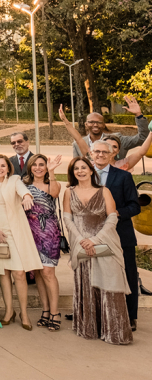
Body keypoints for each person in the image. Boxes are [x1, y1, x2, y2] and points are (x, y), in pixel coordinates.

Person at [61, 156, 132, 345]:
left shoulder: (104, 191)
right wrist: (81, 240)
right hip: (80, 243)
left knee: (110, 285)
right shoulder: (69, 192)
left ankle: (114, 332)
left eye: (84, 167)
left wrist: (94, 240)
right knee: (87, 284)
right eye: (76, 169)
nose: (80, 171)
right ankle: (90, 328)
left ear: (92, 171)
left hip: (104, 242)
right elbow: (68, 219)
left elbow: (112, 218)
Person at [86, 140, 142, 332]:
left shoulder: (123, 177)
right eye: (96, 152)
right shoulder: (83, 175)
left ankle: (130, 315)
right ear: (90, 154)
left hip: (120, 234)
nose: (100, 155)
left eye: (104, 152)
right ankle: (95, 312)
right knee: (93, 273)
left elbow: (134, 206)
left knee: (127, 274)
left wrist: (116, 213)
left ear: (111, 155)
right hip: (91, 235)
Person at [0, 155, 42, 329]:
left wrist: (26, 196)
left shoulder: (15, 180)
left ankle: (24, 313)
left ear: (8, 168)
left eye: (3, 166)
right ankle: (9, 311)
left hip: (15, 232)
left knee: (19, 273)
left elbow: (23, 190)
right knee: (4, 274)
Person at [22, 154, 63, 332]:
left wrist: (52, 171)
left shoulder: (52, 183)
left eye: (42, 165)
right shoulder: (23, 186)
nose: (38, 168)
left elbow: (54, 193)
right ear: (30, 167)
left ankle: (55, 312)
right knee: (38, 273)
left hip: (49, 232)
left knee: (48, 272)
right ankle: (45, 311)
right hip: (30, 232)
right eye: (35, 165)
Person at [68, 96, 148, 160]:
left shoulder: (118, 140)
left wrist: (139, 115)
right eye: (91, 122)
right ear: (86, 124)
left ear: (103, 125)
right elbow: (76, 167)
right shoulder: (77, 145)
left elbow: (143, 138)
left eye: (99, 122)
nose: (95, 125)